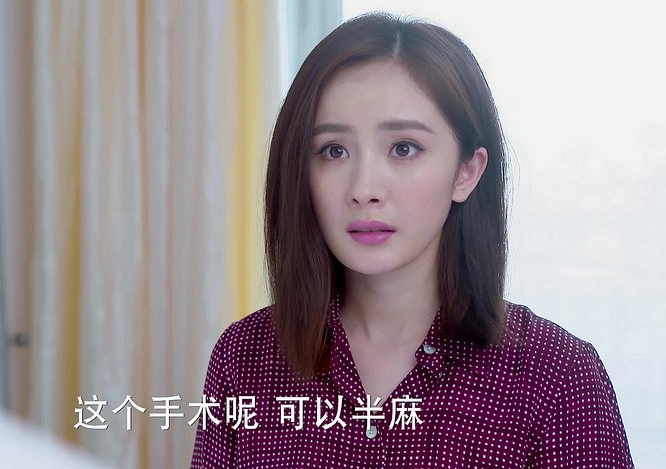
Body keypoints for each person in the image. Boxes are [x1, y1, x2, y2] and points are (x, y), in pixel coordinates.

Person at [191, 12, 633, 468]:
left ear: (466, 172)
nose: (364, 188)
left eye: (404, 148)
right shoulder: (244, 358)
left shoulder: (558, 378)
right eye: (334, 151)